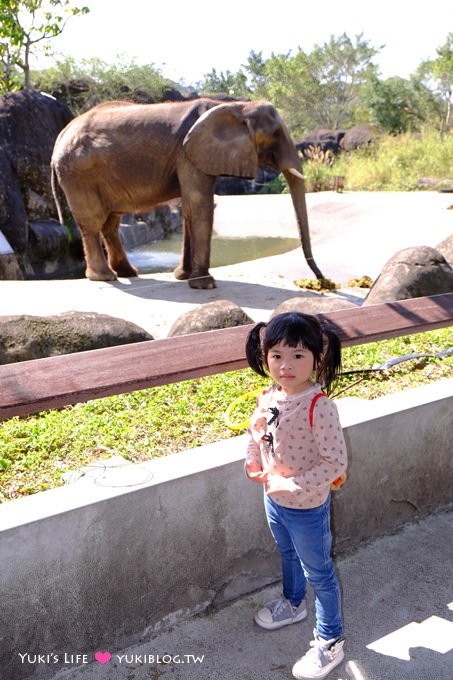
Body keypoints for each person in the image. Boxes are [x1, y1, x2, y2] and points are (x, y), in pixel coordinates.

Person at [244, 312, 347, 680]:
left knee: (319, 573)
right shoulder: (270, 395)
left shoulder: (319, 407)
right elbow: (257, 432)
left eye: (298, 356)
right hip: (274, 500)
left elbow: (335, 461)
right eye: (277, 356)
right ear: (264, 355)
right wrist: (253, 459)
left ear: (318, 357)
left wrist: (295, 485)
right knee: (286, 553)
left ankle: (330, 640)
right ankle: (292, 603)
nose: (286, 366)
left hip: (307, 507)